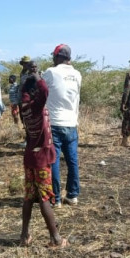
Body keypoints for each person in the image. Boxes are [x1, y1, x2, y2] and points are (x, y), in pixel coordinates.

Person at [19, 72, 68, 248]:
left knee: (29, 197)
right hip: (41, 159)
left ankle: (24, 235)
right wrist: (38, 77)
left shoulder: (24, 107)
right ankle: (56, 238)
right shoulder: (36, 106)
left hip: (30, 156)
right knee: (44, 197)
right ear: (35, 92)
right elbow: (45, 91)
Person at [43, 44, 82, 207]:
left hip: (55, 123)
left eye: (54, 56)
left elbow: (40, 90)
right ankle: (72, 195)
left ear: (58, 57)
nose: (52, 59)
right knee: (72, 160)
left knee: (54, 161)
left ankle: (56, 198)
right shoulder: (77, 74)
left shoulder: (51, 72)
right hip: (71, 123)